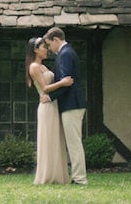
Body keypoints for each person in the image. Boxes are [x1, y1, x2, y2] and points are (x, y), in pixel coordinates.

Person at [42, 26, 87, 185]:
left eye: (49, 44)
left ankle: (80, 178)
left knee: (74, 142)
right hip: (72, 103)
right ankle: (77, 176)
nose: (49, 48)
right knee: (74, 142)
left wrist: (50, 96)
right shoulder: (67, 53)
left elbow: (66, 82)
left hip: (72, 104)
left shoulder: (65, 54)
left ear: (56, 40)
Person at [25, 36, 72, 184]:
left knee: (56, 139)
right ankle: (46, 175)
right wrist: (62, 83)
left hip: (53, 105)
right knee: (48, 139)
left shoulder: (44, 66)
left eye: (46, 47)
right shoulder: (33, 67)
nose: (46, 50)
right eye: (43, 47)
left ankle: (57, 174)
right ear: (35, 50)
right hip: (46, 106)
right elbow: (44, 88)